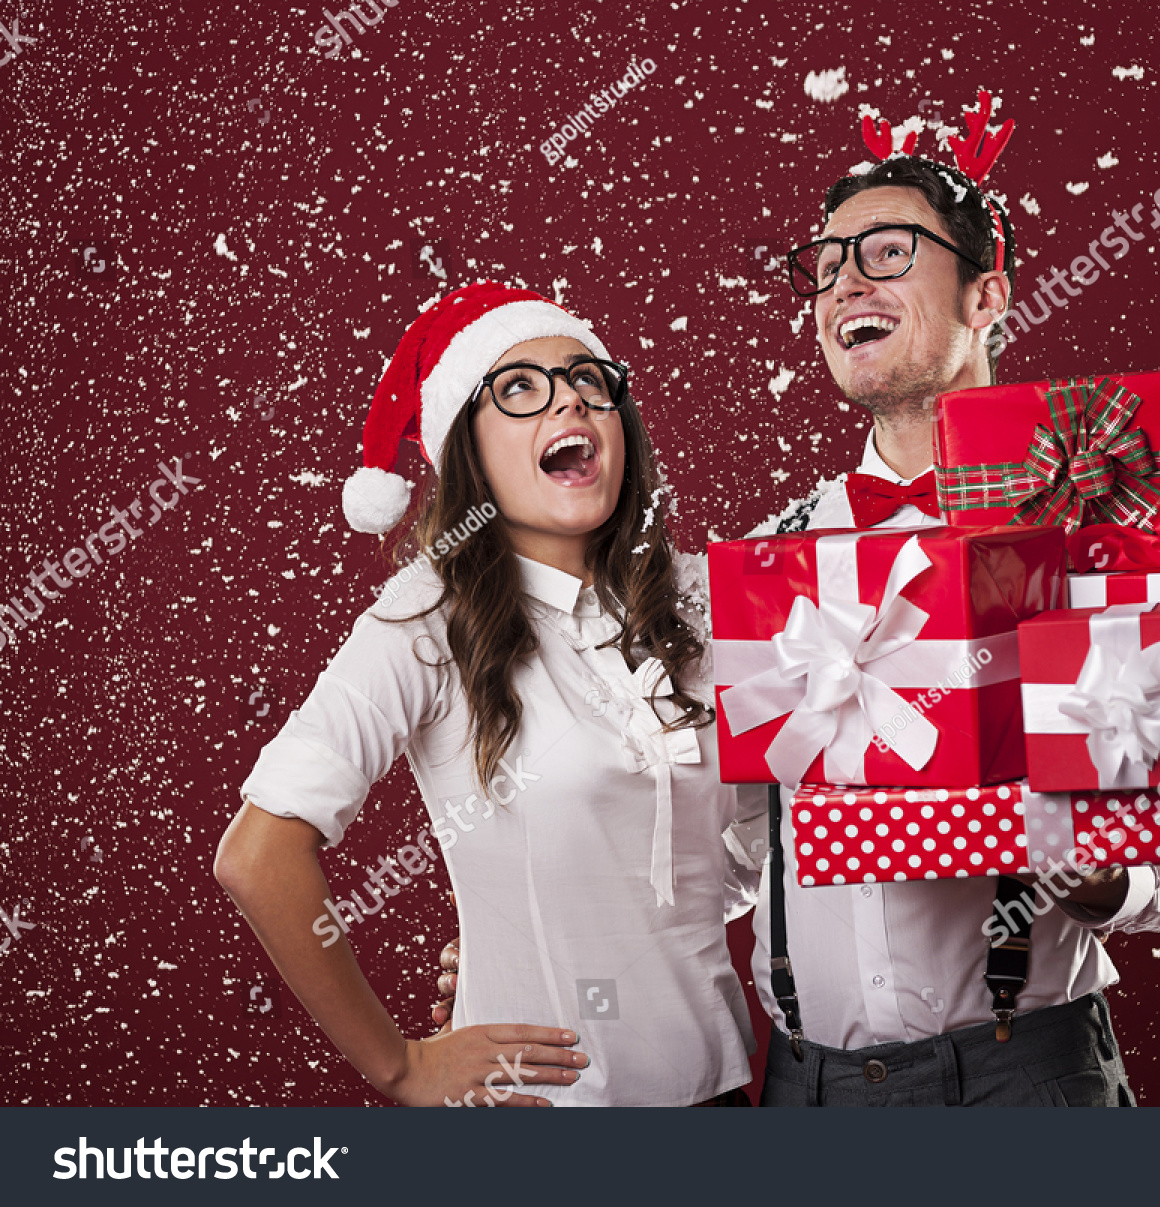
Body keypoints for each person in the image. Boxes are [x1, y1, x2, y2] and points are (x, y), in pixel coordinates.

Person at [216, 283, 762, 1107]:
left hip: (722, 1100)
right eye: (519, 389)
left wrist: (547, 923)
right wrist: (403, 1063)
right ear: (464, 446)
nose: (568, 401)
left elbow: (739, 856)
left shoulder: (702, 604)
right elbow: (256, 854)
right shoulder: (423, 620)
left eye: (588, 380)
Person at [750, 145, 1160, 1106]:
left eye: (883, 252)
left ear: (988, 297)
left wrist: (1089, 865)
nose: (842, 286)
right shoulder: (768, 557)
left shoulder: (1096, 523)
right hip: (805, 1091)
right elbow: (718, 847)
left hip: (1024, 1078)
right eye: (826, 265)